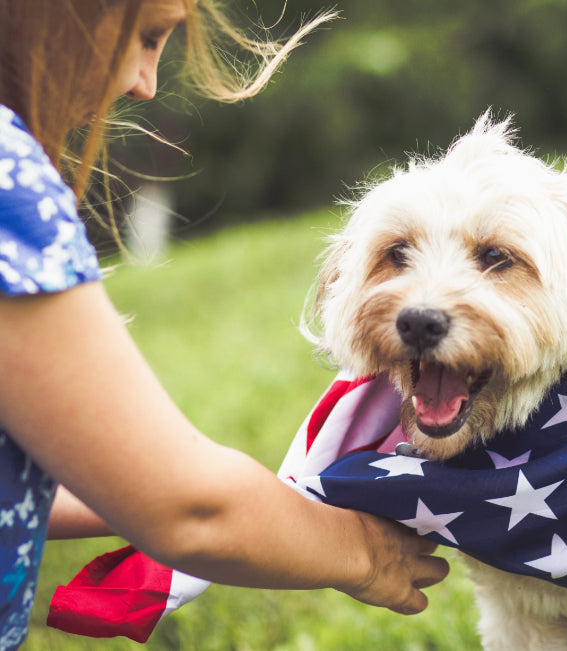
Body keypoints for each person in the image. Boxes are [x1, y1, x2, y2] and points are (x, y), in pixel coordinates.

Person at [0, 0, 450, 647]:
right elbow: (191, 508)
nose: (145, 82)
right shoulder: (7, 180)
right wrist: (360, 551)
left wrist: (133, 487)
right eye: (149, 37)